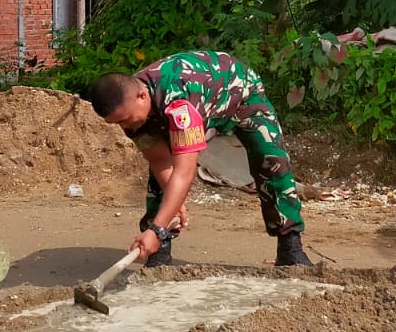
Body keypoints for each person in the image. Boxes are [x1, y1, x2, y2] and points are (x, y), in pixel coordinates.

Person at [85, 50, 312, 268]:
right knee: (161, 185)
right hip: (197, 104)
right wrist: (173, 208)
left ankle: (290, 247)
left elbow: (184, 172)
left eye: (124, 120)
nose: (124, 126)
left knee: (272, 161)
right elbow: (160, 161)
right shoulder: (129, 108)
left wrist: (157, 228)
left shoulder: (178, 103)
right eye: (117, 123)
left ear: (142, 96)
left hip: (240, 93)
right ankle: (159, 253)